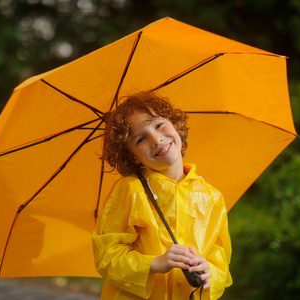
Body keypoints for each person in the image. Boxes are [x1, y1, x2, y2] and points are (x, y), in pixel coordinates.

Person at [92, 92, 232, 299]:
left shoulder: (212, 197)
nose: (156, 139)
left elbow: (220, 258)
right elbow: (107, 255)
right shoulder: (130, 190)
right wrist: (155, 263)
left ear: (176, 124)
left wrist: (209, 272)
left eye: (158, 125)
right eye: (141, 139)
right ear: (133, 157)